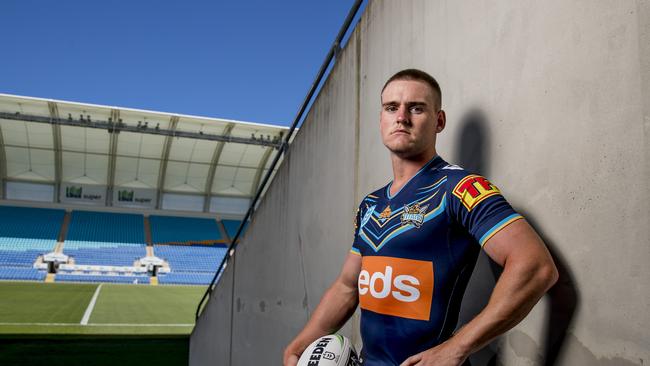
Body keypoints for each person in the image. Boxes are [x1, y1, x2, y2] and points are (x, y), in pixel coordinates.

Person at [283, 69, 558, 366]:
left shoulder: (460, 188)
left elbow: (536, 267)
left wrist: (456, 348)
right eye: (391, 108)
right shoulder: (370, 204)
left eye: (416, 108)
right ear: (381, 120)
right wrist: (298, 346)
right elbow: (348, 287)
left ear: (438, 121)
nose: (401, 117)